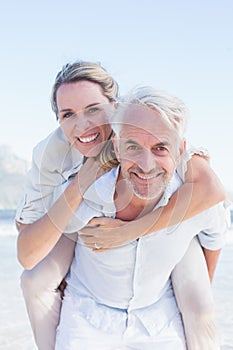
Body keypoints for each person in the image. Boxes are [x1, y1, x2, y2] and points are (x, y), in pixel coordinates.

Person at [16, 62, 225, 349]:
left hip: (164, 227)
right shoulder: (52, 155)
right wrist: (83, 182)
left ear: (115, 105)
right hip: (76, 219)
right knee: (35, 281)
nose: (82, 125)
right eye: (68, 114)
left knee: (201, 306)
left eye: (93, 109)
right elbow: (28, 245)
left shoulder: (147, 125)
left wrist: (131, 231)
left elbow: (212, 194)